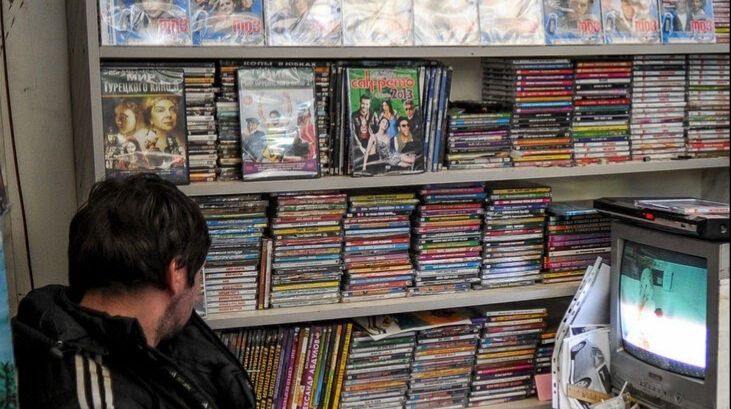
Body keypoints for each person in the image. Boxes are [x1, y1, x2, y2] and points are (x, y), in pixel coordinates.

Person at [12, 173, 256, 408]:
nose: (199, 292)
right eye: (200, 273)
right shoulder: (91, 395)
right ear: (177, 273)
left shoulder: (149, 340)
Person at [135, 95, 186, 168]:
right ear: (149, 118)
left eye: (172, 110)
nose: (169, 115)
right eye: (160, 110)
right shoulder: (138, 139)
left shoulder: (179, 140)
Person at [351, 94, 379, 166]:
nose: (364, 106)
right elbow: (353, 133)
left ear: (369, 105)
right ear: (360, 103)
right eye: (363, 104)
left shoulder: (373, 115)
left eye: (367, 104)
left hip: (371, 143)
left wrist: (374, 145)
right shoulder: (354, 116)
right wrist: (360, 147)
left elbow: (377, 131)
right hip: (358, 143)